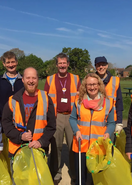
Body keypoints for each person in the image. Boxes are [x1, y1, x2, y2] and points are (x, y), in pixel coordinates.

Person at [2, 67, 56, 182]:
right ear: (23, 80)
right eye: (28, 78)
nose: (31, 81)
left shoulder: (46, 98)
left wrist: (41, 142)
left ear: (37, 80)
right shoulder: (13, 100)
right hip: (18, 151)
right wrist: (19, 136)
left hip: (39, 151)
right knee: (20, 181)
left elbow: (51, 126)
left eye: (34, 78)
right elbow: (6, 124)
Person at [69, 73, 116, 185]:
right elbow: (72, 119)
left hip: (98, 147)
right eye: (89, 84)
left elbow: (111, 123)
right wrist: (77, 131)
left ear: (99, 85)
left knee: (97, 177)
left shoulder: (108, 103)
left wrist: (108, 133)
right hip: (81, 145)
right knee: (81, 177)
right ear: (85, 86)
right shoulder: (78, 101)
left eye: (95, 84)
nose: (92, 87)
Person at [44, 53, 81, 184]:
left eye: (64, 63)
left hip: (72, 116)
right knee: (56, 145)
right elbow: (46, 100)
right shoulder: (50, 79)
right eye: (60, 63)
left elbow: (81, 97)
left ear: (68, 64)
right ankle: (56, 172)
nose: (62, 65)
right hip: (56, 116)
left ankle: (75, 172)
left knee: (73, 145)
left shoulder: (76, 79)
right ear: (56, 65)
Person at [94, 56, 123, 138]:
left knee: (109, 148)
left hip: (111, 121)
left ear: (107, 66)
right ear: (95, 67)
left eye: (103, 65)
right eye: (98, 65)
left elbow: (119, 102)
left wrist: (119, 122)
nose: (101, 67)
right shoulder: (91, 80)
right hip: (95, 120)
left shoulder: (115, 81)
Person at [0, 51, 24, 119]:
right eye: (8, 62)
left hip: (21, 117)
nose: (11, 65)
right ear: (4, 64)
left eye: (13, 62)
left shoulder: (24, 80)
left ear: (17, 62)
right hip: (4, 118)